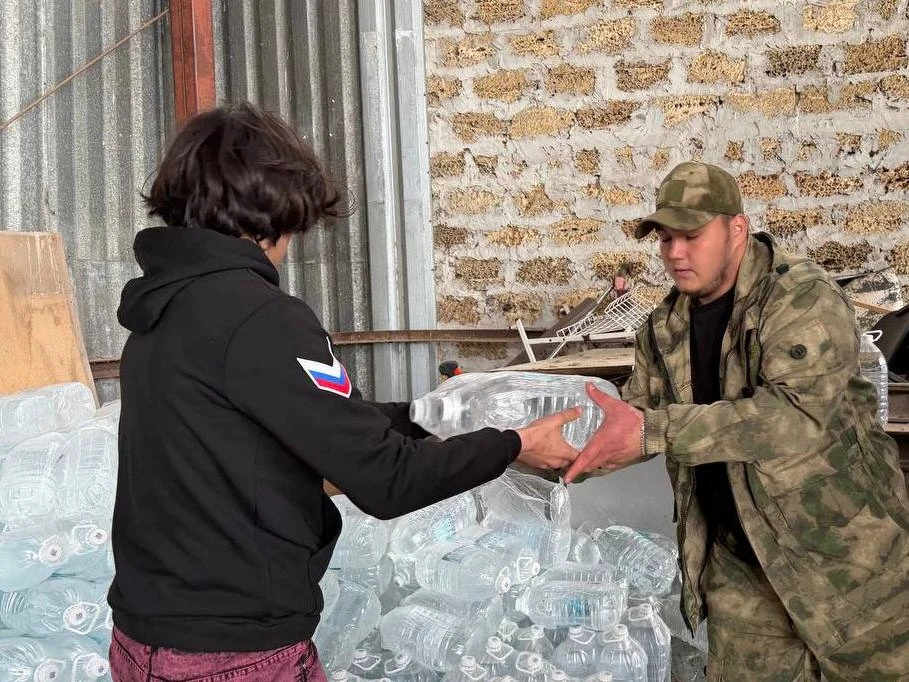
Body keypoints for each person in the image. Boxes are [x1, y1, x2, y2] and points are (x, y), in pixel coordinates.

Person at [108, 103, 580, 682]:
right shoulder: (262, 319)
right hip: (234, 653)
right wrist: (514, 445)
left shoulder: (161, 313)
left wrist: (430, 413)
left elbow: (315, 417)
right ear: (274, 208)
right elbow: (387, 480)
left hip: (145, 640)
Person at [564, 161, 909, 680]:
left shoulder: (800, 297)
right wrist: (529, 448)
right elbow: (632, 421)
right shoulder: (664, 328)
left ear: (737, 229)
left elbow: (797, 417)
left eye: (692, 236)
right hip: (740, 564)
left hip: (845, 558)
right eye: (665, 239)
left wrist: (655, 431)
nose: (675, 253)